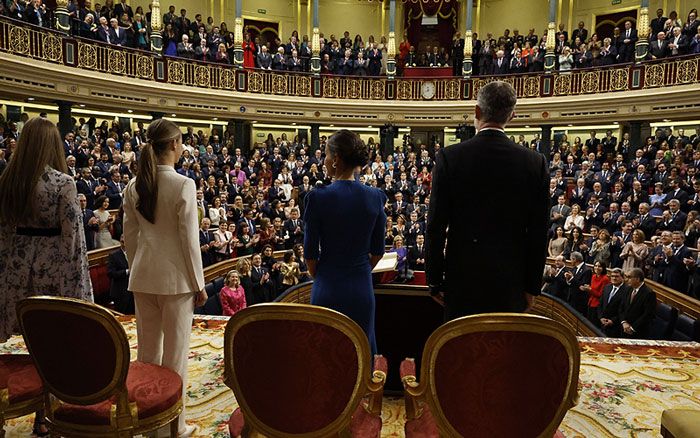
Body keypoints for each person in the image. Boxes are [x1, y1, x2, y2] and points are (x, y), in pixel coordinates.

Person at [0, 117, 93, 436]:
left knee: (29, 341)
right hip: (53, 273)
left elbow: (1, 236)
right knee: (53, 346)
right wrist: (80, 288)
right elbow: (72, 239)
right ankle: (46, 413)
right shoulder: (62, 183)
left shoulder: (8, 179)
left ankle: (30, 402)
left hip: (17, 269)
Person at [425, 81, 548, 321]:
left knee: (461, 352)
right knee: (504, 353)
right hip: (510, 282)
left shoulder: (450, 157)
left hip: (461, 280)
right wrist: (532, 286)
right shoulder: (535, 162)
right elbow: (538, 232)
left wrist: (434, 281)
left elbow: (435, 227)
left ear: (477, 112)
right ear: (512, 116)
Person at [122, 118, 206, 437]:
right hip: (177, 281)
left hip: (143, 276)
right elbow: (189, 240)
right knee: (175, 357)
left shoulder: (133, 185)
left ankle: (148, 424)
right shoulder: (183, 184)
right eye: (182, 142)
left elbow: (129, 238)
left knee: (147, 355)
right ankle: (174, 426)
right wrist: (198, 283)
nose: (183, 147)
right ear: (173, 145)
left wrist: (140, 266)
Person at [303, 129, 386, 356]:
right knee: (360, 352)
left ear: (336, 159)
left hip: (327, 286)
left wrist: (324, 273)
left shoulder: (318, 197)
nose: (325, 160)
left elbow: (310, 254)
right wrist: (358, 268)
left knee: (325, 353)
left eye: (327, 155)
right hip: (361, 286)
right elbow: (378, 251)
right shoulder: (375, 197)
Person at [108, 235, 134, 314]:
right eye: (122, 242)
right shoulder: (114, 255)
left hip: (132, 290)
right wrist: (126, 271)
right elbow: (111, 273)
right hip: (120, 291)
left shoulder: (134, 253)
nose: (124, 244)